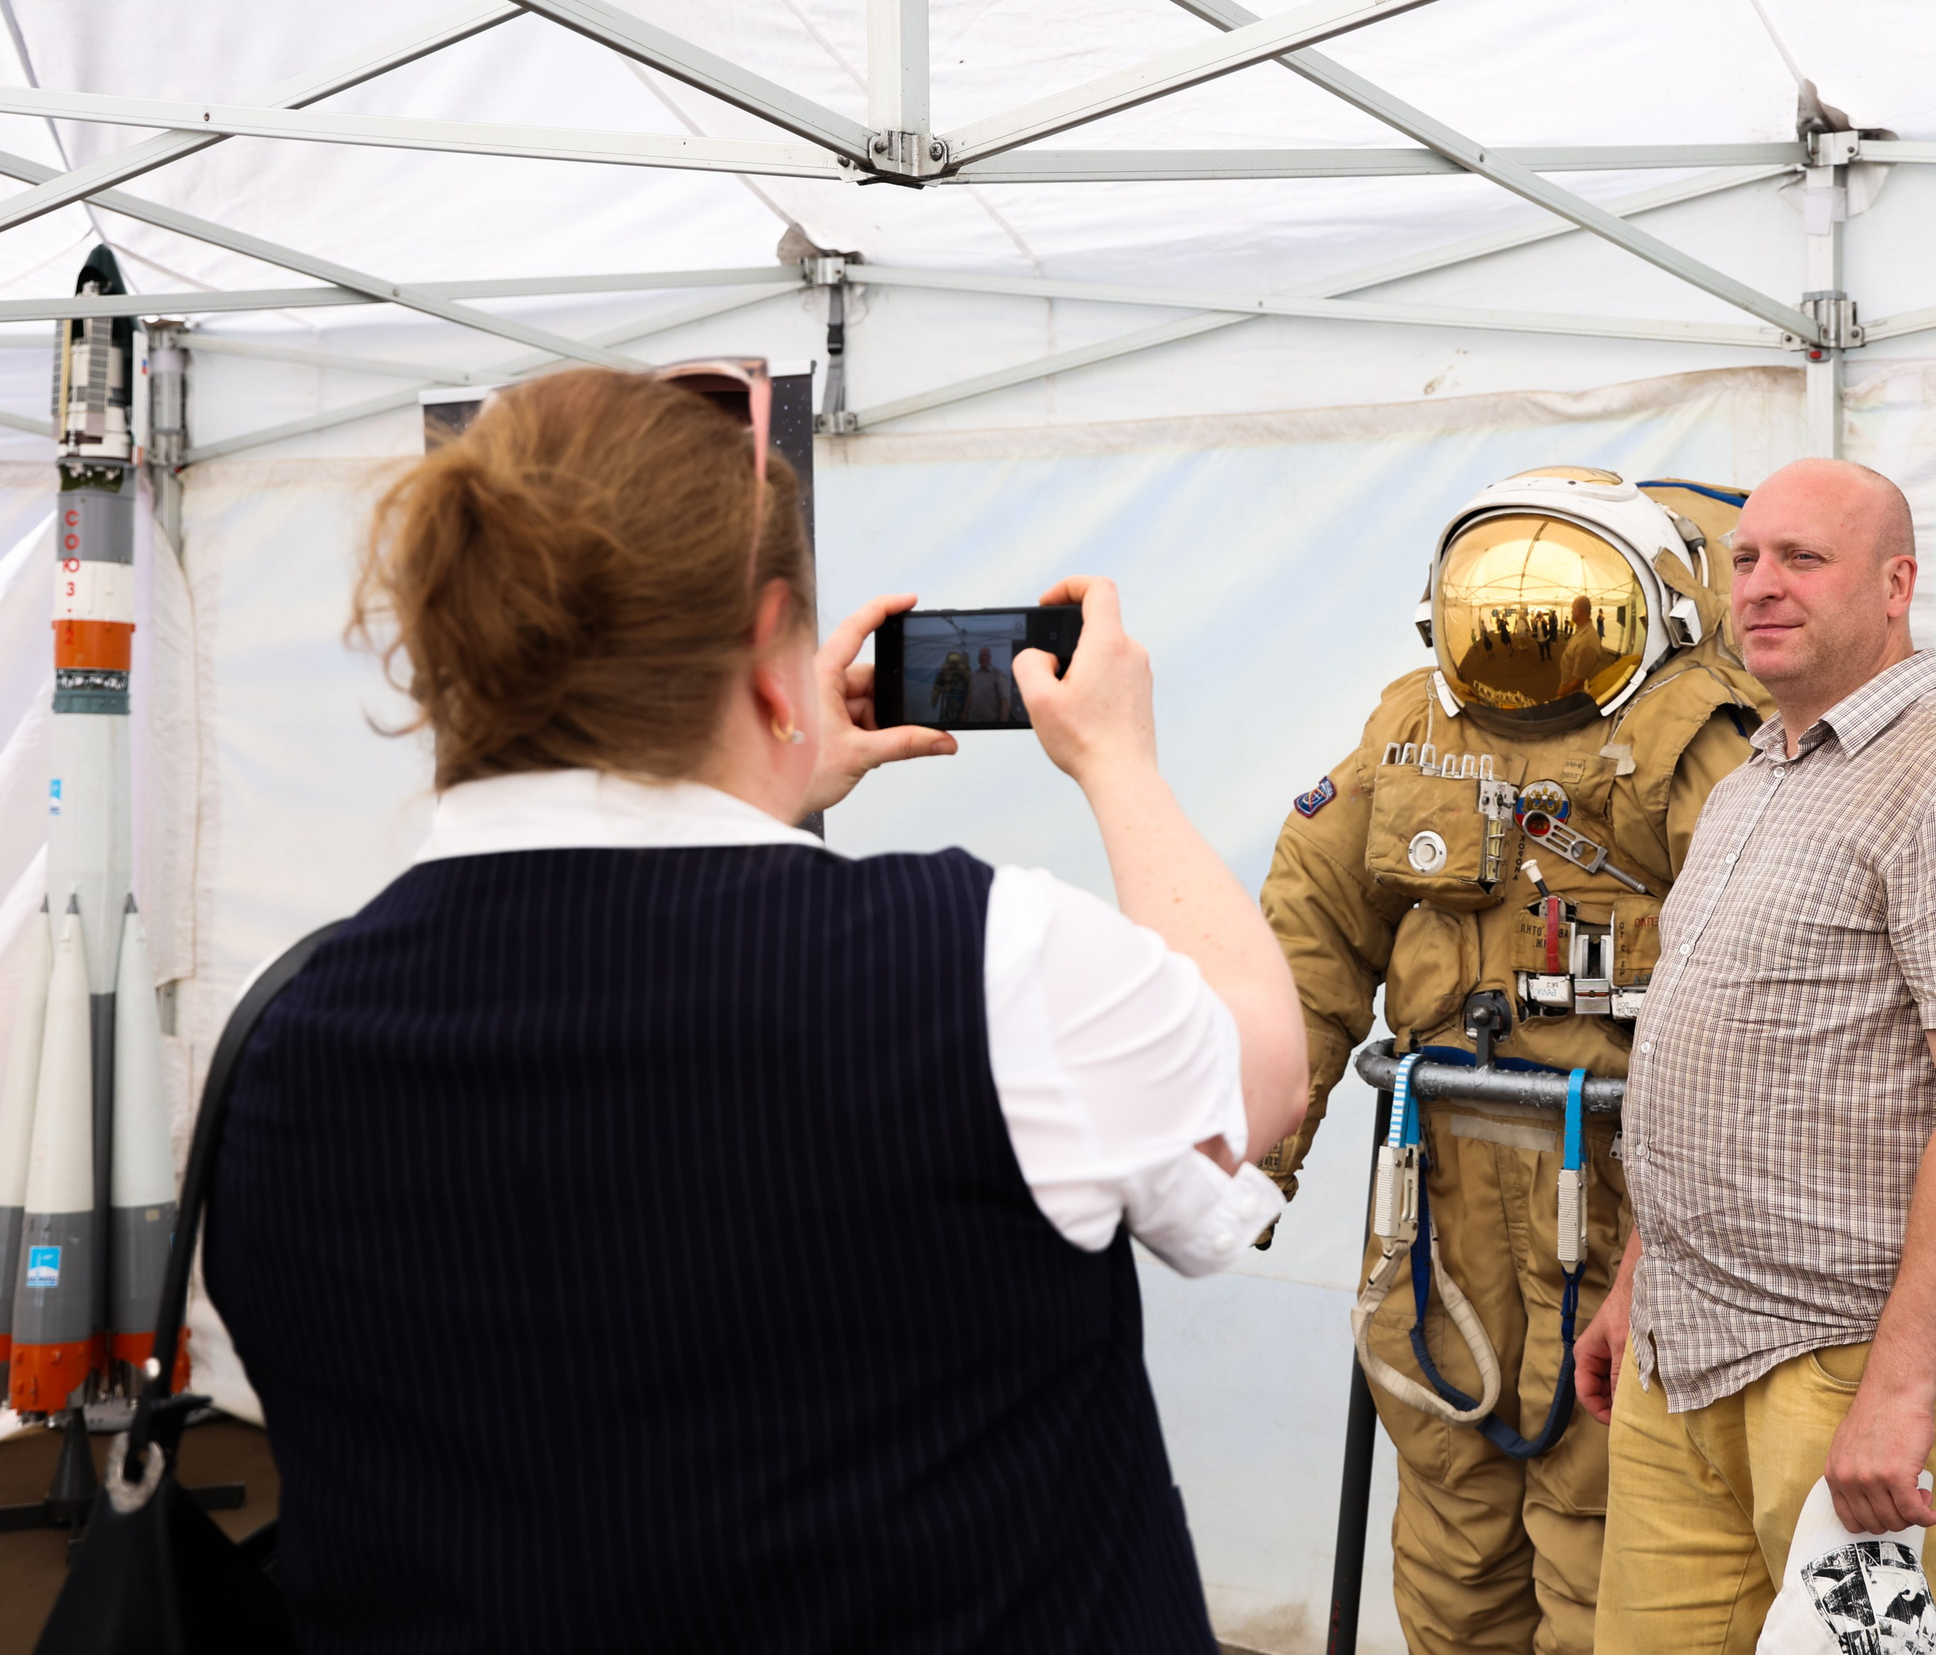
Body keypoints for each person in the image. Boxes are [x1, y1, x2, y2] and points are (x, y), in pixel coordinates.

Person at [201, 367, 1305, 1655]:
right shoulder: (992, 968)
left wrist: (754, 779)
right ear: (773, 641)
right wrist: (1118, 757)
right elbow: (1261, 1079)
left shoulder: (283, 1040)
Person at [1573, 458, 1936, 1655]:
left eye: (1802, 559)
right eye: (1744, 560)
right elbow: (1726, 1063)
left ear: (1896, 583)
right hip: (1689, 1349)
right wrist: (1640, 1278)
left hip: (1855, 1363)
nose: (1760, 585)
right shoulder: (1758, 776)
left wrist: (1899, 1392)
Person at [1261, 467, 1771, 1655]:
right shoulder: (1410, 731)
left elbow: (1771, 985)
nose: (1524, 642)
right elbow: (1309, 944)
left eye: (1558, 616)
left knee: (1614, 1530)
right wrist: (1254, 1153)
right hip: (1438, 1207)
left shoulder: (1703, 744)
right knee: (1450, 1523)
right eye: (1497, 612)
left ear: (1654, 607)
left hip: (1630, 1214)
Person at [964, 643, 1020, 724]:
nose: (983, 657)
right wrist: (965, 713)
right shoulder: (974, 675)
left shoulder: (998, 674)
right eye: (981, 655)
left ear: (990, 658)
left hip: (990, 721)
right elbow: (970, 694)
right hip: (974, 719)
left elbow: (1005, 700)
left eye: (985, 655)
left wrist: (1002, 723)